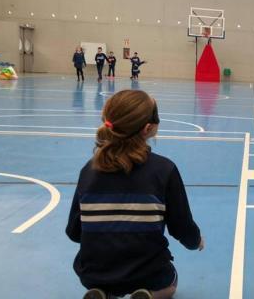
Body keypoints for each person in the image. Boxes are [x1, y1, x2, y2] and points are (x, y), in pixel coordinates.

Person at [66, 90, 204, 299]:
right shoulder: (164, 169)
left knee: (104, 277)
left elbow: (74, 232)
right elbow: (181, 225)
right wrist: (196, 241)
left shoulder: (89, 169)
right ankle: (148, 294)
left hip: (93, 273)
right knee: (170, 281)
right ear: (148, 128)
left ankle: (101, 292)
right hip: (149, 273)